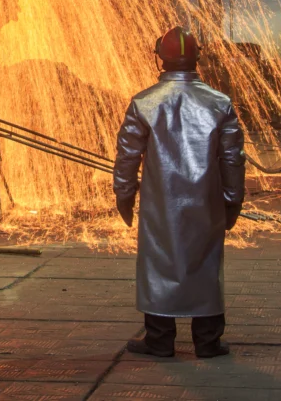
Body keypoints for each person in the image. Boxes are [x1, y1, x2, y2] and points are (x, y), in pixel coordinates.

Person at [113, 26, 246, 359]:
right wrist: (233, 200)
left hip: (160, 202)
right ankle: (208, 341)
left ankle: (159, 338)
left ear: (161, 57)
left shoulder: (144, 102)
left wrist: (124, 194)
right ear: (198, 57)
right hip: (207, 201)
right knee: (206, 262)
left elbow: (128, 155)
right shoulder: (220, 103)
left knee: (159, 262)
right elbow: (233, 159)